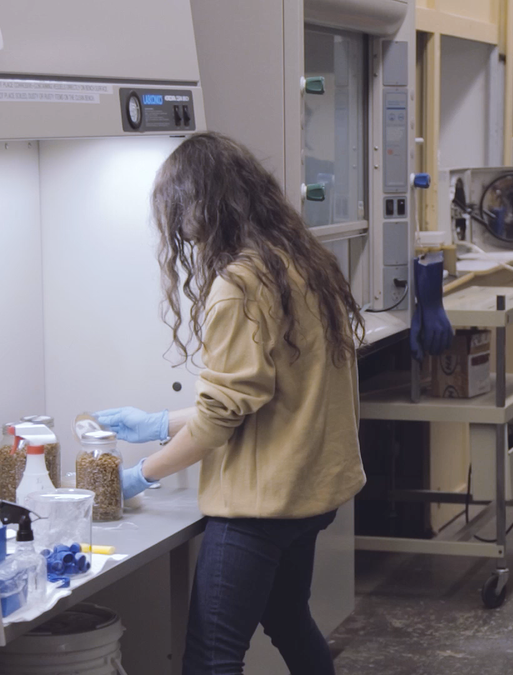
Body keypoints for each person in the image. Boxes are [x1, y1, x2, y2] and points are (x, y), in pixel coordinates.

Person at [96, 131, 367, 674]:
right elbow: (264, 395)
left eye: (176, 208)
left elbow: (221, 416)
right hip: (312, 492)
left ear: (202, 204)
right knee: (289, 619)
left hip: (260, 510)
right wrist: (157, 423)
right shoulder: (300, 260)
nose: (177, 227)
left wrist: (139, 476)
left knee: (213, 657)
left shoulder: (241, 283)